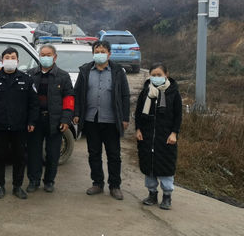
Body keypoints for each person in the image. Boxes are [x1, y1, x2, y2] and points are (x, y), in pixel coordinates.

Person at [73, 40, 130, 200]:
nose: (99, 54)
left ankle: (115, 186)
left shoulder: (118, 71)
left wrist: (125, 117)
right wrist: (76, 113)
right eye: (97, 52)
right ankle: (97, 183)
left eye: (103, 52)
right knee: (94, 153)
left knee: (114, 155)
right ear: (93, 54)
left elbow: (125, 95)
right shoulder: (85, 71)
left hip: (112, 120)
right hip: (91, 119)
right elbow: (77, 93)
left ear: (109, 54)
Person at [0, 47, 39, 199]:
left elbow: (34, 104)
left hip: (19, 127)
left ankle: (17, 186)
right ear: (2, 60)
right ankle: (0, 186)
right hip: (0, 126)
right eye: (7, 58)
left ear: (18, 61)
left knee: (19, 158)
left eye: (13, 58)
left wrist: (32, 121)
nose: (10, 60)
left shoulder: (26, 80)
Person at [27, 44, 75, 193]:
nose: (45, 58)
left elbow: (69, 99)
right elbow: (26, 99)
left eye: (48, 55)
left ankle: (49, 181)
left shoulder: (63, 76)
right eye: (42, 55)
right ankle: (33, 181)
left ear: (55, 57)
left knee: (53, 153)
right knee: (34, 153)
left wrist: (66, 119)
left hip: (54, 120)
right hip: (35, 120)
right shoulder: (31, 74)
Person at [135, 62, 182, 210]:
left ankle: (167, 196)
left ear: (166, 75)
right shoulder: (146, 92)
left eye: (159, 75)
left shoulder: (173, 93)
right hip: (147, 136)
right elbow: (138, 113)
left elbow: (178, 115)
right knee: (149, 167)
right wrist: (138, 129)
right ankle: (152, 194)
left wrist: (174, 133)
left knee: (166, 167)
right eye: (153, 75)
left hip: (166, 137)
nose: (156, 77)